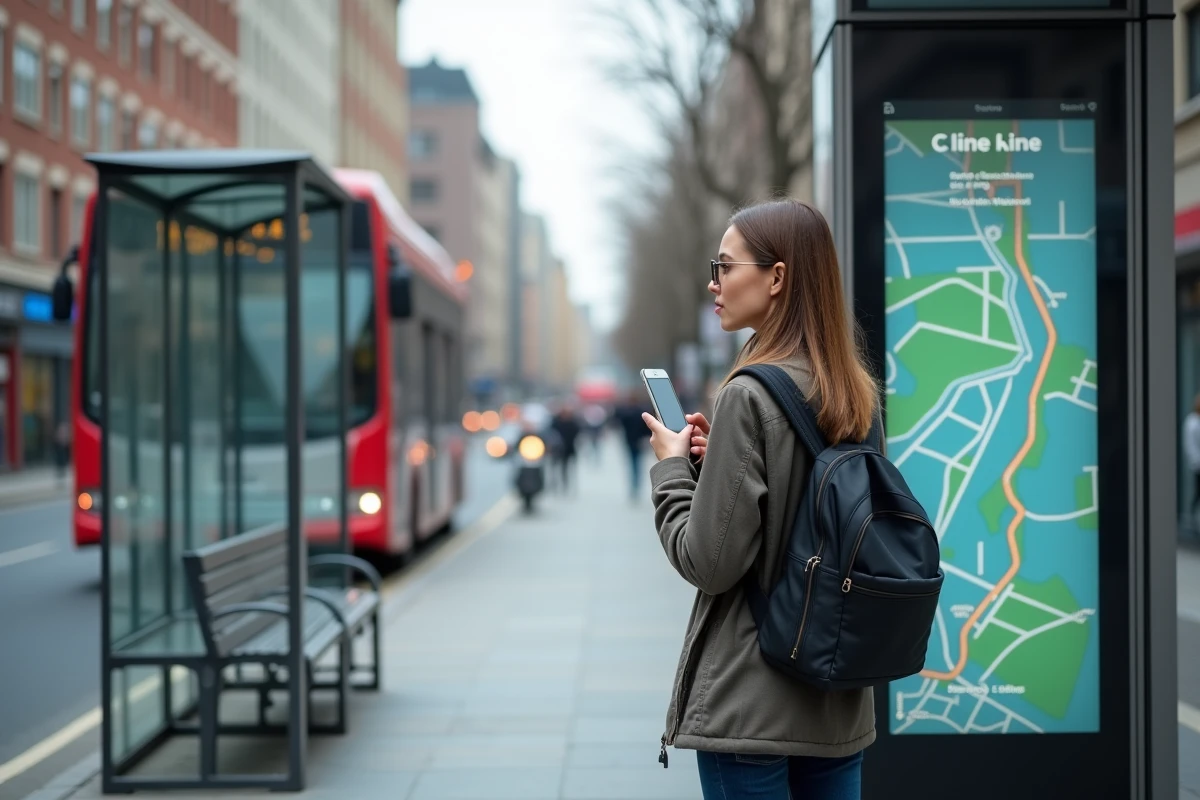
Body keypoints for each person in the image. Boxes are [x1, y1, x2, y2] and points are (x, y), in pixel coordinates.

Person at [640, 198, 878, 799]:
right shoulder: (854, 393)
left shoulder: (749, 394)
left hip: (752, 703)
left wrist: (673, 470)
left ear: (776, 278)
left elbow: (710, 564)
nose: (712, 282)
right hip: (837, 697)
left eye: (725, 266)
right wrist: (723, 460)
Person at [612, 390, 652, 501]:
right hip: (638, 441)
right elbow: (647, 428)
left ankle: (634, 485)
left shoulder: (626, 412)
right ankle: (636, 484)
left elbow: (617, 422)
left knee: (633, 463)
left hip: (629, 441)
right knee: (637, 463)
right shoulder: (642, 412)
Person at [549, 402, 582, 494]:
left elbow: (577, 433)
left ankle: (565, 485)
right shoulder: (556, 422)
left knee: (566, 468)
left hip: (568, 449)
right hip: (557, 449)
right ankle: (554, 485)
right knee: (554, 467)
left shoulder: (573, 423)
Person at [1184, 394, 1200, 530]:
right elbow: (1190, 445)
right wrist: (1196, 461)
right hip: (1198, 465)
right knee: (1197, 493)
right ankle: (1192, 520)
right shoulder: (1192, 421)